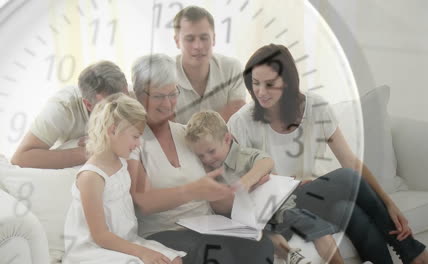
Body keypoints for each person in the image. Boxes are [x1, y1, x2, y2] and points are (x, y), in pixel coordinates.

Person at [227, 44, 428, 264]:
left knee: (348, 210)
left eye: (270, 84)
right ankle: (413, 253)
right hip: (278, 210)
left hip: (312, 197)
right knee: (346, 178)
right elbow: (240, 187)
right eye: (255, 84)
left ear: (287, 83)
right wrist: (286, 184)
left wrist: (388, 202)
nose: (260, 92)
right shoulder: (241, 122)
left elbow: (350, 160)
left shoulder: (315, 108)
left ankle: (408, 255)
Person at [127, 54, 274, 264]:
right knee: (216, 253)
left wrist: (240, 192)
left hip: (208, 224)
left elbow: (214, 198)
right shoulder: (134, 140)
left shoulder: (187, 134)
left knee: (261, 245)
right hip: (164, 232)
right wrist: (192, 191)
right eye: (159, 96)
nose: (168, 104)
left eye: (173, 93)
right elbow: (143, 203)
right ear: (140, 95)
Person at [184, 110, 345, 264]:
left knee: (316, 226)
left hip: (280, 209)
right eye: (201, 156)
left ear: (227, 139)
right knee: (262, 235)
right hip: (256, 222)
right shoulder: (210, 173)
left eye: (211, 151)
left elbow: (266, 162)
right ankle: (292, 255)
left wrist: (247, 182)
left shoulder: (243, 156)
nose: (207, 159)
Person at [63, 93, 185, 264]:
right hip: (94, 249)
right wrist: (143, 253)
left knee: (174, 260)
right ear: (113, 130)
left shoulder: (122, 161)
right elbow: (100, 236)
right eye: (135, 136)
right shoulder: (91, 177)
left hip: (125, 241)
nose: (139, 143)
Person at [11, 61, 128, 169]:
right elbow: (20, 158)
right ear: (88, 105)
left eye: (125, 101)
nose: (122, 111)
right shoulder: (63, 108)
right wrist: (93, 150)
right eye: (111, 107)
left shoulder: (131, 94)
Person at [172, 5, 246, 124]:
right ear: (177, 41)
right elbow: (163, 128)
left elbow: (237, 119)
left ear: (214, 38)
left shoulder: (232, 68)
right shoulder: (164, 75)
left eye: (204, 38)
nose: (198, 46)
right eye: (190, 39)